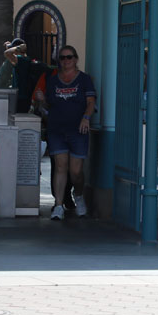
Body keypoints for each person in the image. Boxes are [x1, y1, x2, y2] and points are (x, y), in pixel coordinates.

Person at [37, 45, 96, 220]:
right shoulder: (53, 81)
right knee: (60, 167)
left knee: (75, 171)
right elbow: (49, 105)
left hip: (78, 130)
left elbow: (91, 101)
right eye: (62, 58)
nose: (65, 61)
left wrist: (86, 118)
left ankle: (78, 196)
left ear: (75, 59)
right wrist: (42, 100)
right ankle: (58, 205)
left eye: (69, 57)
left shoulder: (84, 79)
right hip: (57, 129)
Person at [4, 37, 50, 114]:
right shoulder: (24, 60)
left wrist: (17, 47)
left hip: (21, 99)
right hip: (24, 98)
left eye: (13, 48)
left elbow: (7, 53)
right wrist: (9, 46)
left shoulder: (21, 60)